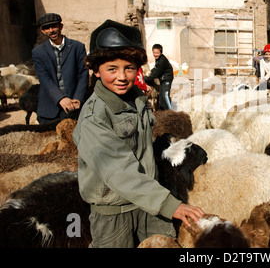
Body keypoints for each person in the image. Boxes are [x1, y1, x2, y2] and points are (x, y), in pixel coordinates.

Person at [72, 20, 204, 248]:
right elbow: (117, 170)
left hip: (146, 202)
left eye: (129, 68)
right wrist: (170, 204)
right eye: (112, 69)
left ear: (139, 69)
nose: (122, 76)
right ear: (96, 70)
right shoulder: (94, 117)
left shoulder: (137, 100)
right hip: (114, 212)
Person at [32, 13, 89, 125]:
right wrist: (60, 99)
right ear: (43, 31)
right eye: (47, 28)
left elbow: (83, 74)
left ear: (61, 27)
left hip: (74, 105)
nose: (51, 30)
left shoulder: (77, 47)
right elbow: (44, 78)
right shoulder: (38, 52)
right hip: (49, 109)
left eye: (54, 26)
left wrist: (78, 98)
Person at [144, 44, 173, 110]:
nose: (155, 54)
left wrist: (145, 78)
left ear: (161, 52)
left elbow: (156, 73)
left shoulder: (162, 60)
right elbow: (156, 68)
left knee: (165, 96)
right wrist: (151, 71)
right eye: (154, 52)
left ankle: (171, 112)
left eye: (157, 53)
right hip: (162, 80)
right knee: (161, 97)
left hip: (167, 79)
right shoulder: (158, 59)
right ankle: (163, 112)